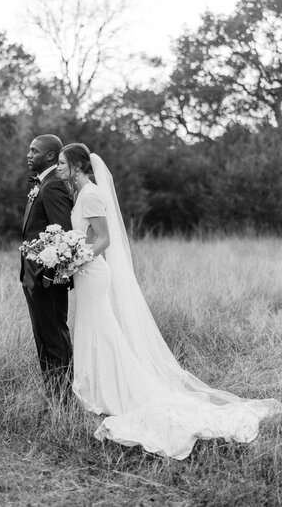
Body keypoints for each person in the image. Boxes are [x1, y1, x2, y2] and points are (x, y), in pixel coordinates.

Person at [56, 143, 282, 460]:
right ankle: (93, 390)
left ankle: (107, 392)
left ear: (78, 166)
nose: (59, 168)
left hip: (92, 273)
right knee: (89, 330)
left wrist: (76, 259)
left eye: (63, 163)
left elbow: (103, 239)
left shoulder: (91, 194)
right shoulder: (79, 194)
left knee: (102, 332)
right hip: (85, 273)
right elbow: (89, 236)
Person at [20, 134, 73, 392]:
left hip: (47, 278)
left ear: (50, 155)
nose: (29, 155)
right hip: (33, 276)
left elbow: (63, 234)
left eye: (34, 151)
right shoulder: (43, 183)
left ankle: (62, 397)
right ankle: (52, 394)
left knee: (54, 337)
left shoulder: (52, 185)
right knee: (42, 337)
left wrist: (49, 274)